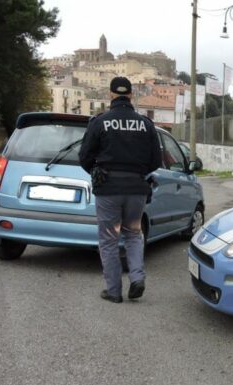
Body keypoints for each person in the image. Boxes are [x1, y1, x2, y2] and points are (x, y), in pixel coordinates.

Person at [79, 77, 162, 303]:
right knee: (134, 234)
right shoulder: (146, 124)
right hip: (137, 189)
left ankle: (114, 291)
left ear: (111, 94)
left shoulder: (100, 122)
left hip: (108, 189)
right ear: (131, 95)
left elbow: (84, 157)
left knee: (108, 239)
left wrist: (97, 170)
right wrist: (137, 171)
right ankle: (137, 278)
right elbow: (156, 160)